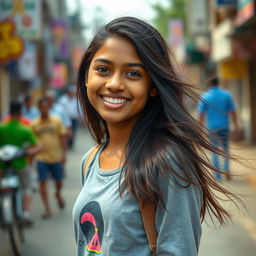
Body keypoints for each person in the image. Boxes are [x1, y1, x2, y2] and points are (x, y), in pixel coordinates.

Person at [72, 17, 240, 256]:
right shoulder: (89, 161)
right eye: (103, 69)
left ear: (152, 86)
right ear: (87, 76)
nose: (115, 84)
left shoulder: (167, 161)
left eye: (132, 73)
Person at [0, 101, 41, 225]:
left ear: (9, 112)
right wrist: (30, 153)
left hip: (2, 165)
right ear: (20, 113)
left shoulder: (2, 127)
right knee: (27, 187)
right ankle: (26, 214)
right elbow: (38, 146)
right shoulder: (25, 128)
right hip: (21, 164)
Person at [31, 97, 67, 219]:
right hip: (41, 158)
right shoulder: (35, 124)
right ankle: (47, 208)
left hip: (56, 157)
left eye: (46, 107)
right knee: (42, 182)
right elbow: (32, 141)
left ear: (49, 107)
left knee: (59, 181)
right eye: (42, 107)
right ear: (39, 108)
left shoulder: (56, 121)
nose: (44, 109)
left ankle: (57, 194)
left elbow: (62, 137)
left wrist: (63, 154)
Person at [198, 78, 239, 181]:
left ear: (210, 85)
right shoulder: (226, 95)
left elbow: (201, 114)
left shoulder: (205, 96)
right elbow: (233, 111)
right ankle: (227, 170)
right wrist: (236, 125)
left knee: (214, 150)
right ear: (218, 84)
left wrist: (200, 128)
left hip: (211, 128)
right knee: (225, 149)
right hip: (224, 126)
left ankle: (217, 175)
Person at [58, 84, 80, 150]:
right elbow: (60, 109)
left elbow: (79, 109)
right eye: (70, 92)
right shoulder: (62, 100)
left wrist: (80, 117)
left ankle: (71, 145)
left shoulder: (76, 100)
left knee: (73, 131)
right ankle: (65, 144)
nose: (72, 94)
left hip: (74, 119)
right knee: (65, 132)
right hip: (64, 118)